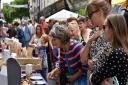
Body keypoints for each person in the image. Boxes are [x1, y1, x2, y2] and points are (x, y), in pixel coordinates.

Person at [90, 14, 128, 85]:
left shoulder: (117, 53)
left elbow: (94, 78)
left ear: (113, 29)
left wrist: (92, 76)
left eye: (104, 27)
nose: (102, 30)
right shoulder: (122, 49)